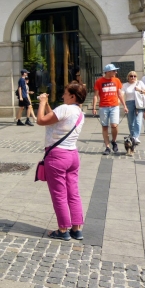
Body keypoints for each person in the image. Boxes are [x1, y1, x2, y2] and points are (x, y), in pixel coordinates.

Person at [37, 82, 87, 241]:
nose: (62, 96)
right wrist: (48, 107)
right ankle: (76, 228)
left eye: (65, 93)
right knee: (73, 193)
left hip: (57, 156)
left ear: (72, 96)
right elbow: (53, 119)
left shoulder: (64, 108)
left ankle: (63, 229)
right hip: (72, 155)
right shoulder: (79, 112)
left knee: (59, 194)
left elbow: (41, 120)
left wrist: (43, 103)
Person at [92, 64, 128, 155]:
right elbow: (95, 95)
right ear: (107, 72)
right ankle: (107, 147)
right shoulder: (99, 81)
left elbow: (119, 94)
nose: (116, 72)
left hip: (114, 106)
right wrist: (94, 107)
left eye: (115, 70)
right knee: (104, 126)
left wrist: (124, 106)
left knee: (114, 125)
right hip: (103, 106)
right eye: (114, 71)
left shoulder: (117, 80)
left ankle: (114, 141)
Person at [121, 71, 145, 144]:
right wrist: (124, 105)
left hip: (138, 103)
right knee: (130, 121)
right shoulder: (125, 85)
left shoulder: (140, 83)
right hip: (129, 103)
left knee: (138, 121)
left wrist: (140, 90)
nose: (133, 77)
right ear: (128, 77)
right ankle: (133, 136)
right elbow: (122, 95)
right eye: (131, 76)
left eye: (134, 76)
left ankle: (135, 137)